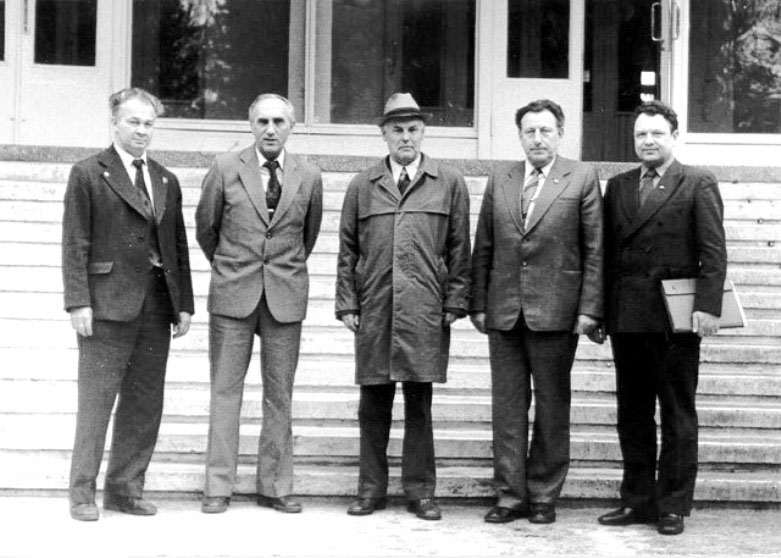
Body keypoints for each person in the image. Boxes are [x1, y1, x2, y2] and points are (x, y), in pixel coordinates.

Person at [335, 92, 471, 521]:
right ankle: (370, 490)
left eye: (413, 129)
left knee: (419, 404)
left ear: (423, 132)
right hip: (375, 307)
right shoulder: (363, 185)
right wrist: (347, 303)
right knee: (372, 405)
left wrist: (455, 301)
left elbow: (460, 248)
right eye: (397, 130)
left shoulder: (449, 182)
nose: (405, 137)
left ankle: (421, 492)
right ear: (384, 134)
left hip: (424, 309)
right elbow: (347, 249)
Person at [62, 87, 194, 521]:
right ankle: (82, 494)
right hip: (106, 306)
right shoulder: (88, 173)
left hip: (156, 307)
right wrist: (78, 302)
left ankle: (126, 489)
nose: (141, 130)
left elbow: (177, 245)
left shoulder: (165, 179)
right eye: (133, 122)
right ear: (115, 123)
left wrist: (184, 304)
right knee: (96, 403)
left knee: (144, 403)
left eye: (149, 123)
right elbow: (75, 242)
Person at [470, 99, 604, 525]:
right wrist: (477, 302)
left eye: (546, 130)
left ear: (560, 133)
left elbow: (595, 249)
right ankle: (510, 495)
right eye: (530, 131)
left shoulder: (581, 177)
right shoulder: (502, 178)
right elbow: (484, 244)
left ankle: (544, 494)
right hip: (504, 311)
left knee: (551, 407)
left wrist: (590, 308)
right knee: (507, 408)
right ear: (520, 136)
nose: (538, 139)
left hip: (557, 311)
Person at [597, 101, 727, 535]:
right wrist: (600, 311)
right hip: (628, 315)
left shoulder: (697, 182)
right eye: (641, 134)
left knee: (676, 413)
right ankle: (637, 501)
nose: (648, 141)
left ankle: (672, 504)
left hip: (676, 318)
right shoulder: (618, 186)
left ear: (674, 136)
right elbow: (607, 254)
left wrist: (708, 306)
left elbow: (713, 251)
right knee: (632, 414)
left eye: (656, 133)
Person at [196, 93, 323, 515]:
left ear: (291, 127)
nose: (270, 129)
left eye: (279, 122)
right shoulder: (225, 167)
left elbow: (307, 235)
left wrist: (280, 270)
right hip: (233, 293)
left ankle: (275, 486)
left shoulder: (308, 175)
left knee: (279, 394)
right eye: (263, 121)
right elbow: (207, 228)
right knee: (225, 391)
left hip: (284, 296)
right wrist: (233, 267)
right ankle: (218, 486)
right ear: (250, 125)